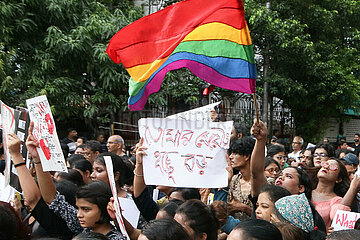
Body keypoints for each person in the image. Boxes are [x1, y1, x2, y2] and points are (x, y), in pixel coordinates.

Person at [311, 158, 356, 231]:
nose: (326, 167)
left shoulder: (338, 201)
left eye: (332, 167)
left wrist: (353, 188)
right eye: (325, 164)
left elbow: (338, 217)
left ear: (338, 179)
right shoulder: (305, 192)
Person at [227, 137, 255, 220]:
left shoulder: (264, 182)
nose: (231, 157)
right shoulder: (234, 180)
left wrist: (244, 208)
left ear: (246, 156)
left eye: (235, 153)